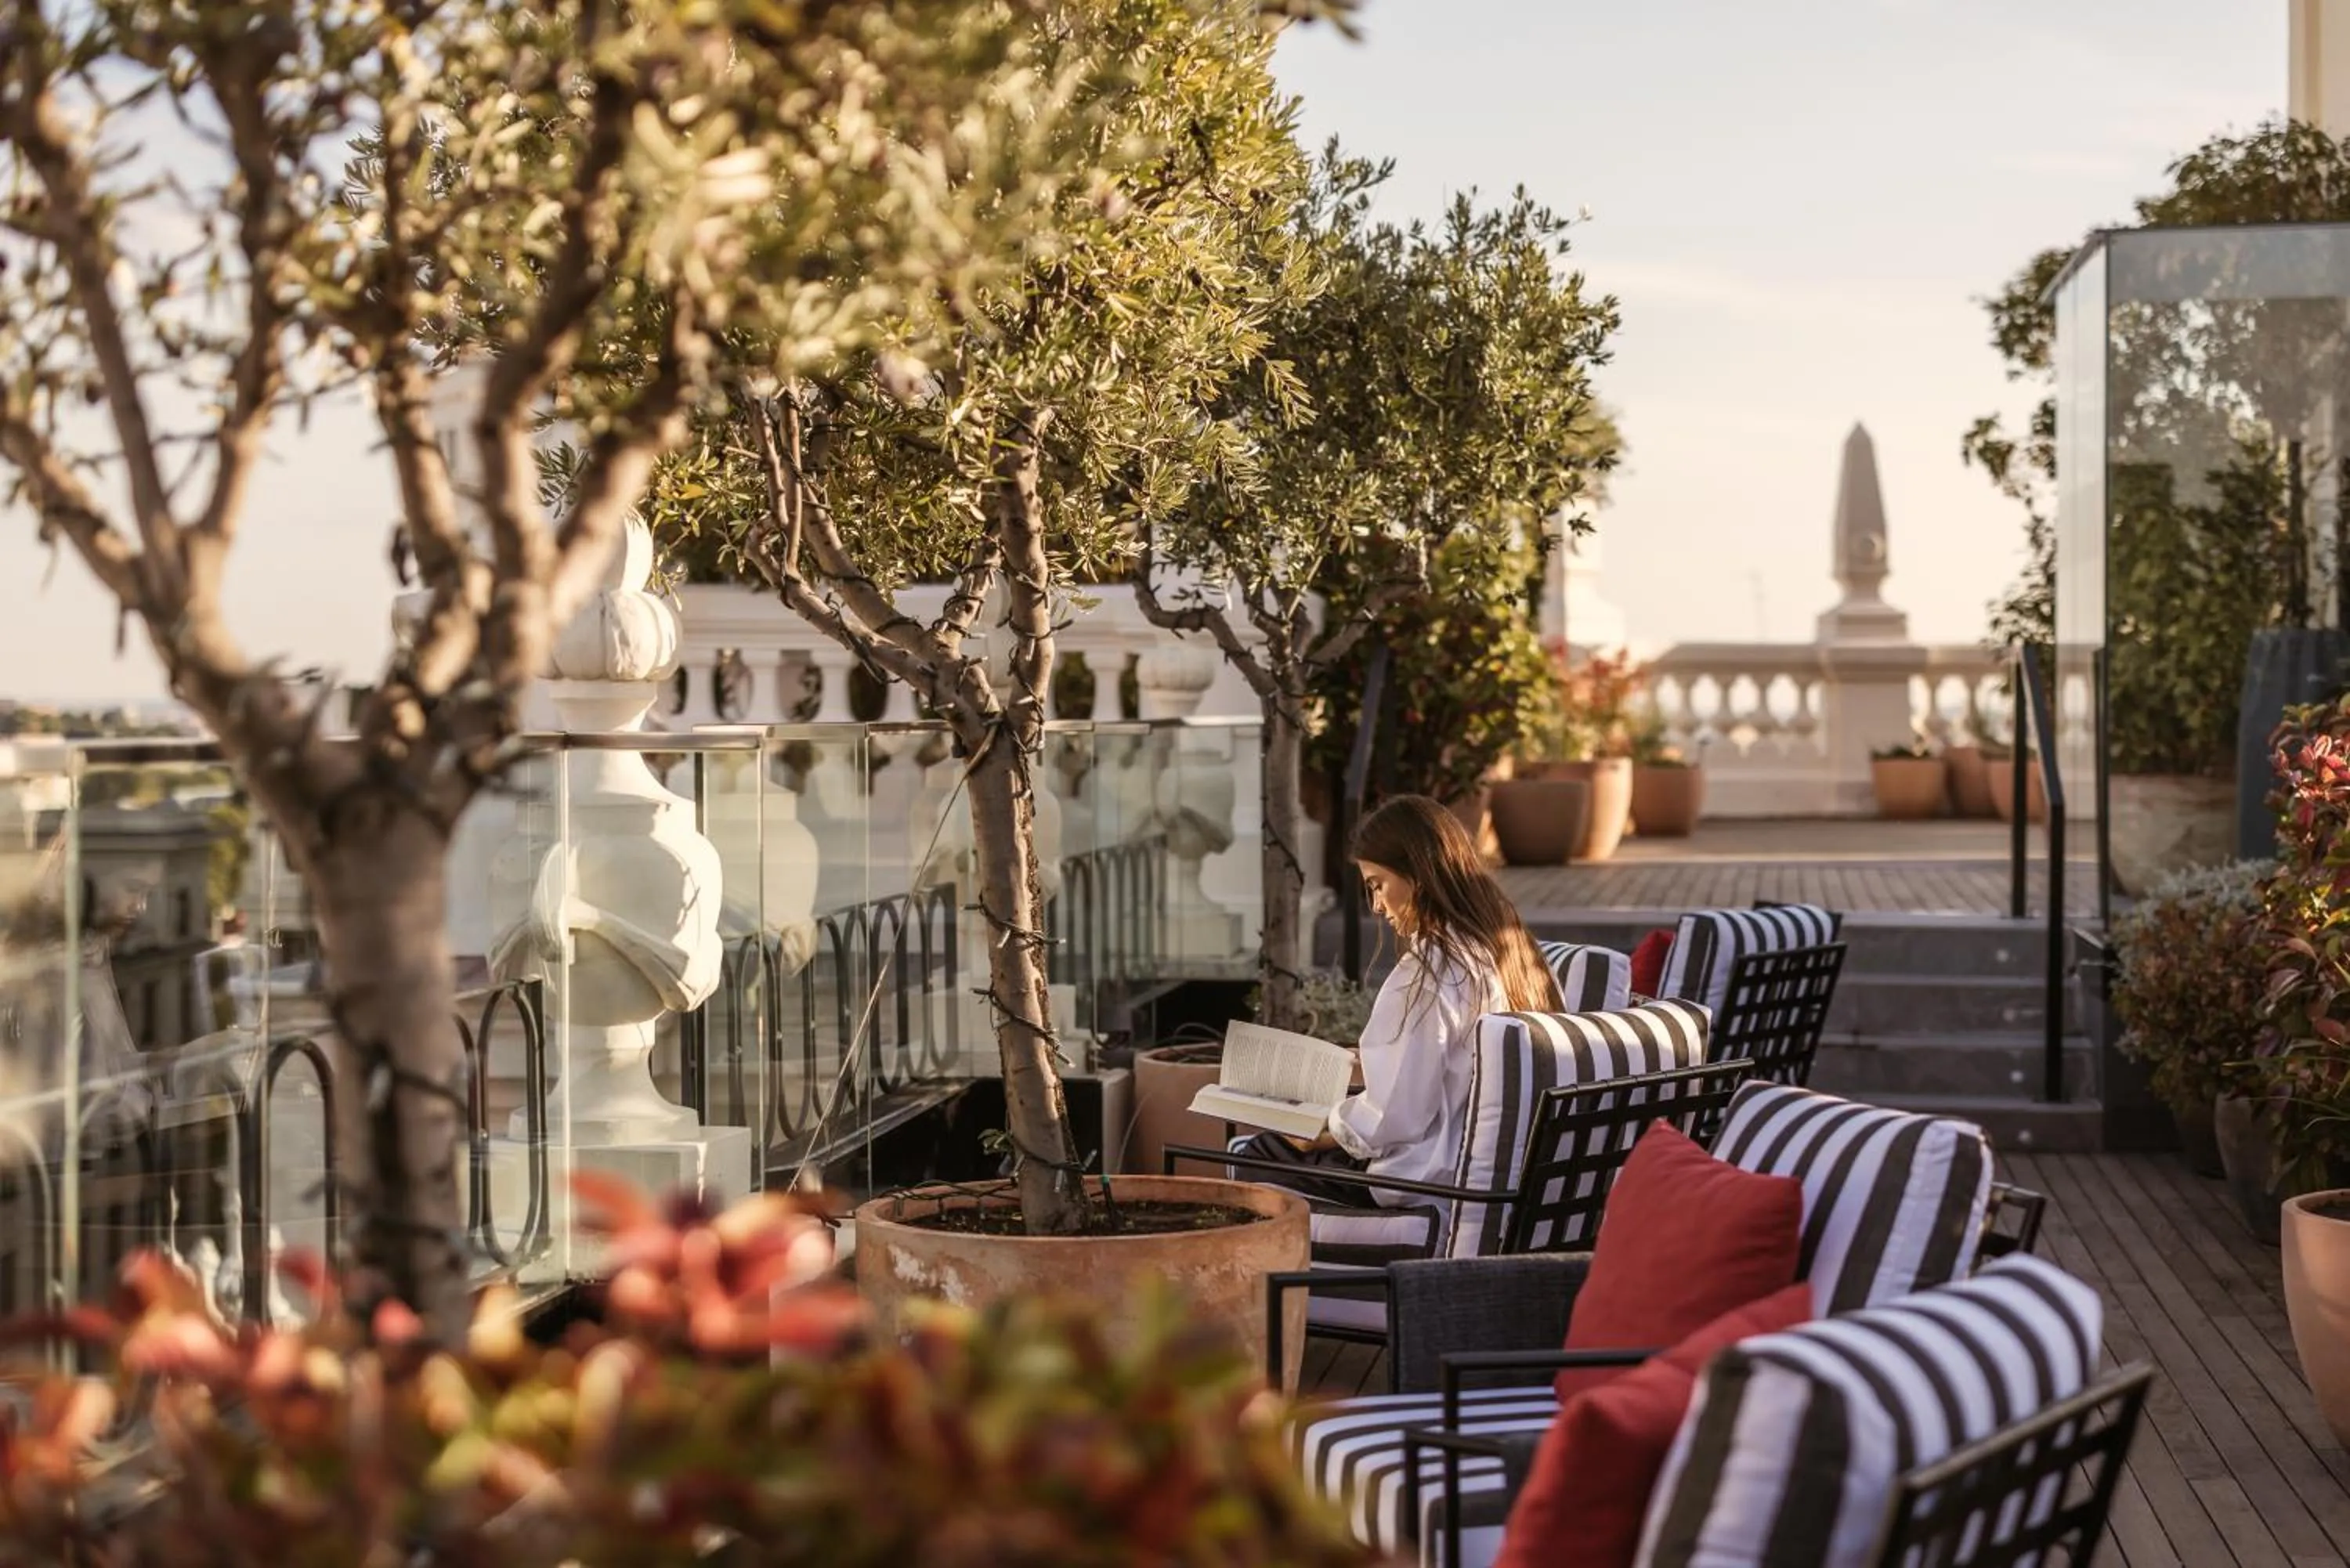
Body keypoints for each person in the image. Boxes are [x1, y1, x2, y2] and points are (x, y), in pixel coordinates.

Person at [1235, 793, 1562, 1209]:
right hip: (1486, 1172)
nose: (1375, 905)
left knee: (1256, 1153)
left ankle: (1290, 1271)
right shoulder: (1512, 952)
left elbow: (1396, 1117)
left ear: (1418, 873)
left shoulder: (1430, 970)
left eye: (1377, 885)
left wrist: (1326, 1130)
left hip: (1428, 1178)